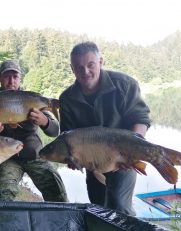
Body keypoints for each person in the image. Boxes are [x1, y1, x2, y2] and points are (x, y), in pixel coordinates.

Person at [59, 41, 151, 215]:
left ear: (101, 62)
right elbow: (66, 136)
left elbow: (140, 118)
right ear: (72, 69)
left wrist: (131, 151)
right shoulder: (67, 98)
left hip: (123, 157)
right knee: (98, 206)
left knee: (120, 206)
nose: (85, 72)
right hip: (92, 163)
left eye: (90, 65)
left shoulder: (125, 84)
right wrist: (72, 159)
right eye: (79, 67)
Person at [0, 60, 68, 202]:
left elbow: (54, 131)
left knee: (57, 191)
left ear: (20, 78)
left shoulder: (31, 99)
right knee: (4, 195)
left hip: (35, 156)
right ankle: (7, 222)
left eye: (15, 77)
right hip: (7, 159)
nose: (11, 81)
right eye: (7, 77)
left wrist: (44, 121)